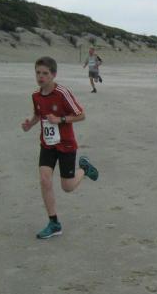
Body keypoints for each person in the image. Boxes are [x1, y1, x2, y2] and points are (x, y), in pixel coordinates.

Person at [21, 56, 99, 239]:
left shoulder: (62, 93)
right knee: (45, 180)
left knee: (67, 187)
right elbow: (38, 115)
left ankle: (84, 169)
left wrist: (60, 119)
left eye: (45, 73)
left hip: (66, 144)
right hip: (47, 144)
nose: (40, 77)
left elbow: (81, 115)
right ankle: (54, 223)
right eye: (38, 73)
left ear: (53, 75)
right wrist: (29, 124)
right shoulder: (36, 95)